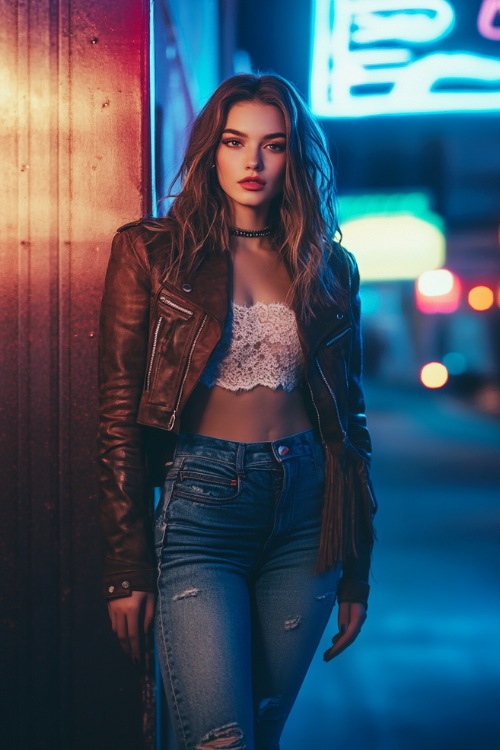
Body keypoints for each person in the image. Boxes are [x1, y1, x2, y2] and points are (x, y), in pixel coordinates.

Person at [97, 73, 377, 750]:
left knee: (263, 733)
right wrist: (126, 562)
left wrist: (356, 565)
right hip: (201, 513)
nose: (253, 162)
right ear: (210, 150)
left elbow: (351, 425)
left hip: (308, 517)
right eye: (235, 141)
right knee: (221, 738)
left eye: (273, 145)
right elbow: (116, 414)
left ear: (295, 158)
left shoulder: (328, 267)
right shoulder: (151, 251)